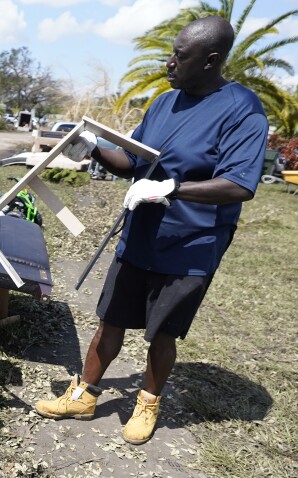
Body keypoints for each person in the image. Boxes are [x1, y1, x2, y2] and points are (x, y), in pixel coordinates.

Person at [34, 15, 268, 444]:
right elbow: (136, 163)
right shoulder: (164, 102)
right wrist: (98, 152)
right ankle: (83, 394)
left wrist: (172, 189)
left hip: (191, 244)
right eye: (172, 52)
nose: (169, 62)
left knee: (162, 331)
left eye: (181, 56)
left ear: (211, 60)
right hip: (141, 234)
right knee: (110, 319)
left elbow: (238, 184)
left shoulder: (243, 110)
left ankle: (147, 403)